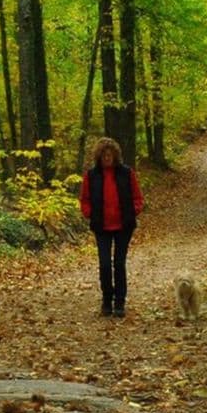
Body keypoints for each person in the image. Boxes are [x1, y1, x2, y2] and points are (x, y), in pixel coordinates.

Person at [79, 136, 144, 318]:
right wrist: (88, 212)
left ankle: (120, 302)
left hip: (124, 225)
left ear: (116, 156)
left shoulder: (126, 173)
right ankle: (107, 299)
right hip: (101, 226)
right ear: (99, 157)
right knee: (105, 264)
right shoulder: (91, 176)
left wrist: (135, 210)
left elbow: (137, 196)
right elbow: (84, 199)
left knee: (119, 263)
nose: (107, 158)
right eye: (104, 155)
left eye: (110, 155)